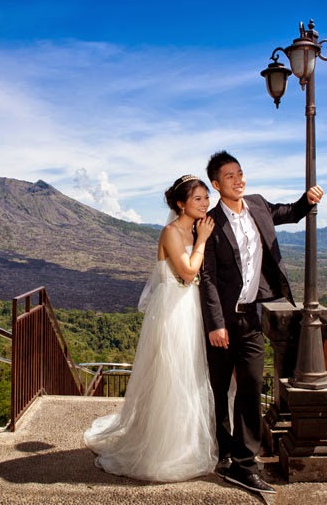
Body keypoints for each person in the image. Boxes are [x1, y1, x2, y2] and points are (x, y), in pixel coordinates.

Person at [199, 150, 323, 495]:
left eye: (240, 173)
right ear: (216, 184)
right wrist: (215, 323)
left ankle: (245, 463)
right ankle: (223, 452)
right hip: (223, 321)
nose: (238, 180)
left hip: (252, 318)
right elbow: (207, 278)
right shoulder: (209, 223)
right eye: (229, 176)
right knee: (220, 390)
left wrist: (307, 198)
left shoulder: (257, 205)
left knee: (252, 388)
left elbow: (293, 213)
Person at [83, 174, 218, 482]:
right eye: (198, 199)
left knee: (192, 376)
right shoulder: (171, 232)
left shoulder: (197, 229)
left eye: (206, 198)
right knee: (172, 376)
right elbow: (186, 273)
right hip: (173, 312)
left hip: (192, 309)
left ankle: (187, 441)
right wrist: (202, 242)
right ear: (181, 204)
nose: (205, 203)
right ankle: (164, 450)